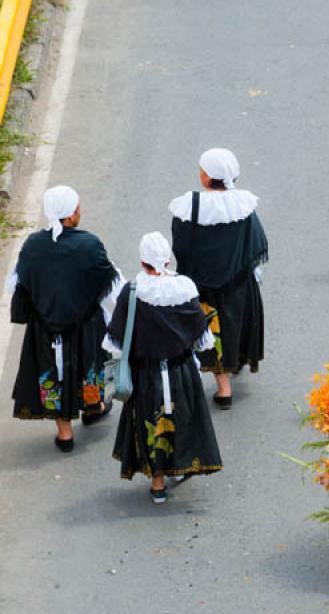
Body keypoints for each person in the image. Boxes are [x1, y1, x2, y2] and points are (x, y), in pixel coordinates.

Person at [104, 232, 222, 504]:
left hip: (146, 374)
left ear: (143, 261)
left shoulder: (133, 291)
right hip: (181, 372)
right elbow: (202, 338)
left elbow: (116, 341)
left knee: (152, 423)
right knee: (181, 418)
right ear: (167, 260)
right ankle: (179, 466)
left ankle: (157, 485)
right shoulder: (184, 288)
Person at [10, 185, 123, 452]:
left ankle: (65, 434)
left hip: (45, 329)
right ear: (71, 215)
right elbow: (109, 286)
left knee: (54, 373)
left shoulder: (32, 245)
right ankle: (93, 408)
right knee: (88, 367)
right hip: (84, 326)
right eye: (77, 207)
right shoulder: (89, 244)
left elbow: (19, 284)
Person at [169, 147, 268, 410]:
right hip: (238, 284)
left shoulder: (188, 206)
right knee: (236, 324)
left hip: (202, 285)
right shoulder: (243, 205)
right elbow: (256, 244)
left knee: (212, 332)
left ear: (206, 177)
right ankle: (237, 361)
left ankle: (223, 387)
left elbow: (180, 247)